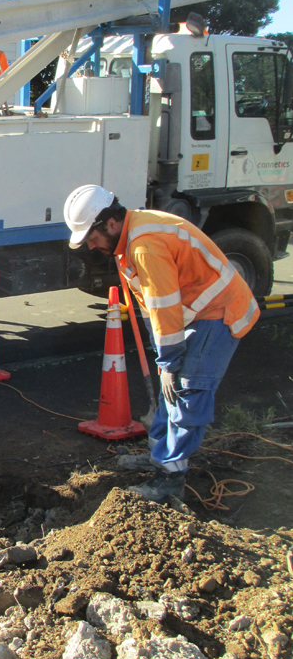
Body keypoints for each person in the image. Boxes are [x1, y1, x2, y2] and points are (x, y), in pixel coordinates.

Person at [64, 184, 259, 502]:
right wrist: (165, 356)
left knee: (187, 391)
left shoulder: (144, 246)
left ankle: (169, 480)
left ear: (109, 223)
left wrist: (169, 363)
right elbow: (153, 306)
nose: (91, 244)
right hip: (197, 311)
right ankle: (160, 455)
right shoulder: (130, 236)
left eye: (92, 236)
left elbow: (164, 306)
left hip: (220, 311)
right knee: (173, 389)